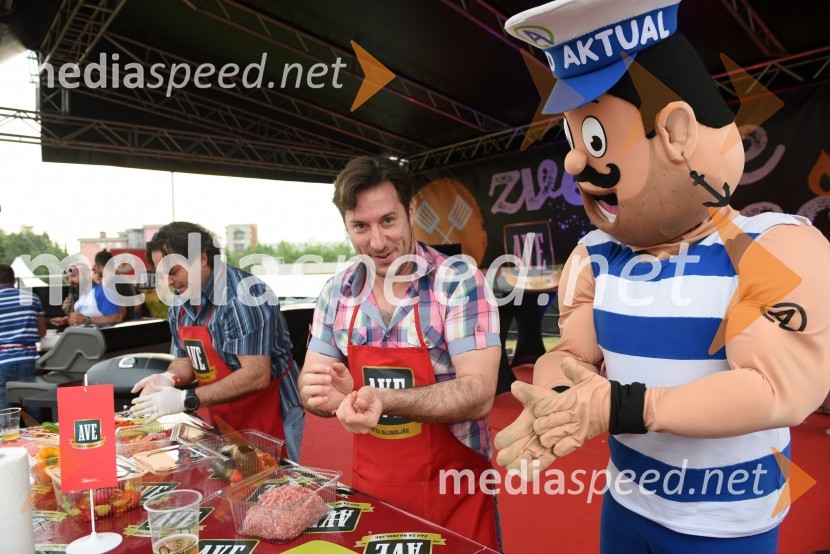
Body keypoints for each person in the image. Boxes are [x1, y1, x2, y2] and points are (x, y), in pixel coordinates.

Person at [495, 0, 830, 552]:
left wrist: (621, 406)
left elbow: (777, 390)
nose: (576, 164)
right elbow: (573, 355)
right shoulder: (596, 255)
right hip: (626, 504)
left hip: (726, 525)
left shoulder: (772, 247)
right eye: (575, 142)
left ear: (675, 133)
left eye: (596, 140)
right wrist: (559, 400)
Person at [299, 156, 501, 549]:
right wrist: (326, 397)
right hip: (374, 492)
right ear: (346, 225)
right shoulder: (335, 293)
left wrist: (382, 399)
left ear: (410, 211)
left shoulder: (458, 282)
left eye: (388, 221)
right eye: (360, 226)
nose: (376, 242)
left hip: (455, 489)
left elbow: (479, 393)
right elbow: (312, 391)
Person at [130, 222, 305, 462]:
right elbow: (186, 360)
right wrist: (168, 379)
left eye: (173, 271)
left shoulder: (243, 297)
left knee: (273, 485)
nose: (169, 282)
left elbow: (255, 375)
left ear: (201, 258)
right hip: (220, 409)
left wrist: (185, 399)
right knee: (235, 482)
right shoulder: (180, 301)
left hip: (268, 409)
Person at [0, 263, 46, 410]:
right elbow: (42, 332)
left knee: (4, 413)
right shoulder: (32, 298)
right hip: (28, 360)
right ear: (14, 280)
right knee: (33, 407)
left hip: (2, 362)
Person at [49, 262, 122, 327]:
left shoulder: (101, 292)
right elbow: (79, 321)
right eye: (68, 277)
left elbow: (116, 318)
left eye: (73, 276)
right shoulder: (80, 298)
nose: (70, 280)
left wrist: (86, 320)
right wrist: (68, 315)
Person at [94, 250, 145, 321]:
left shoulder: (112, 284)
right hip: (130, 325)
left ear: (98, 266)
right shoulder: (124, 280)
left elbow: (121, 313)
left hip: (120, 328)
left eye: (95, 268)